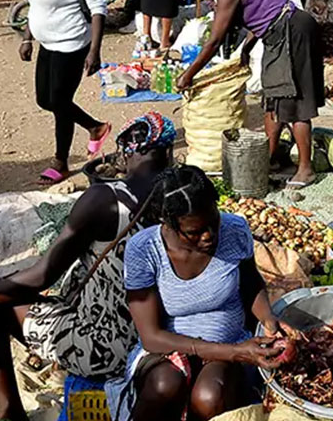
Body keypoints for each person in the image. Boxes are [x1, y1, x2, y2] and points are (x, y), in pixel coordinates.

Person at [0, 113, 175, 421]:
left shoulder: (106, 200)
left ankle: (9, 411)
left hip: (108, 348)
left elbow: (42, 276)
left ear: (125, 154)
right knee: (6, 289)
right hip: (164, 337)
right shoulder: (187, 194)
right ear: (168, 152)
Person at [106, 165, 290, 421]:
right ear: (168, 224)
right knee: (164, 385)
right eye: (194, 232)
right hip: (167, 349)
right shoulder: (144, 250)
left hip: (229, 343)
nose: (209, 236)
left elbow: (251, 283)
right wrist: (235, 351)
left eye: (214, 223)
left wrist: (269, 319)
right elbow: (151, 337)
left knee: (209, 397)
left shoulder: (235, 230)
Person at [178, 0, 323, 188]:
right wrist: (247, 48)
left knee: (293, 102)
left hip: (291, 33)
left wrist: (188, 74)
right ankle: (269, 158)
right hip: (280, 33)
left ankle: (305, 169)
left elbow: (214, 41)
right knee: (273, 97)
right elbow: (263, 11)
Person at [19, 0, 112, 184]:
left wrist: (95, 51)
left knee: (60, 102)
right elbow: (35, 0)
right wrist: (27, 37)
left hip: (72, 44)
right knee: (44, 99)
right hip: (47, 43)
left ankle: (60, 162)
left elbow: (98, 8)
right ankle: (95, 127)